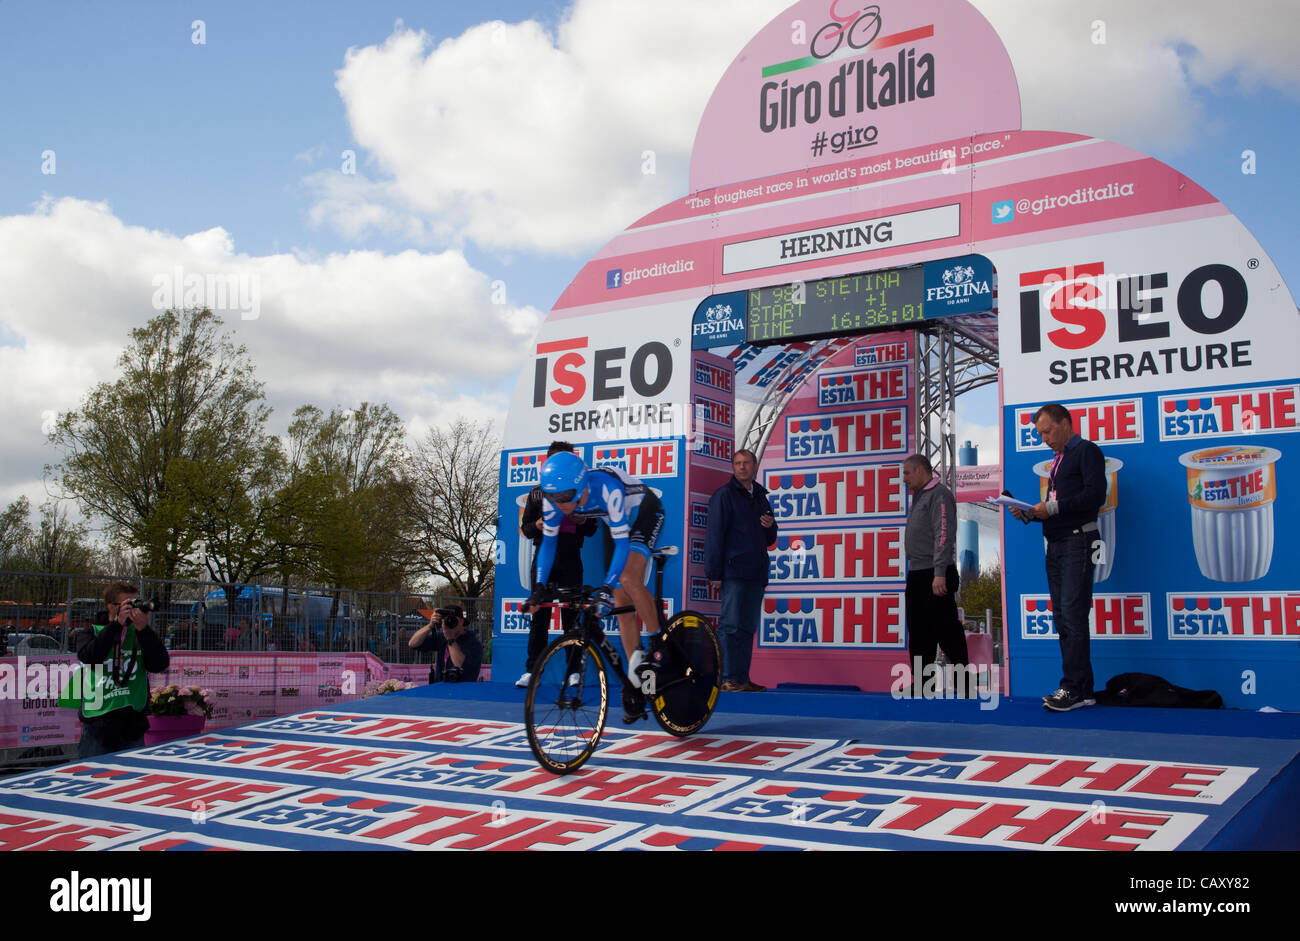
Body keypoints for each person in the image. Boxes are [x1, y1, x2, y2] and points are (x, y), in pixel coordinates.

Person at [529, 451, 664, 723]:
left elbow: (623, 544)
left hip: (644, 513)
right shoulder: (555, 499)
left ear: (580, 487)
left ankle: (658, 642)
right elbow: (548, 544)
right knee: (619, 600)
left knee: (626, 579)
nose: (561, 504)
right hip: (615, 522)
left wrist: (606, 585)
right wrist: (540, 586)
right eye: (554, 498)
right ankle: (637, 682)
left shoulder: (606, 487)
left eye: (566, 497)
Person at [1011, 403, 1107, 712]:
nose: (1045, 438)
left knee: (1072, 614)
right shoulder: (1058, 460)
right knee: (1064, 618)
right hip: (1057, 542)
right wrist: (1029, 513)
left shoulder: (1087, 452)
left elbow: (1094, 497)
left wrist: (1049, 509)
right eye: (1040, 434)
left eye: (1048, 431)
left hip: (1079, 541)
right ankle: (1082, 688)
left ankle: (1073, 688)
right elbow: (1058, 507)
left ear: (1066, 424)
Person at [518, 441, 598, 688]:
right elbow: (526, 529)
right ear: (547, 463)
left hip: (572, 559)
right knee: (539, 618)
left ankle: (574, 671)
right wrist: (539, 525)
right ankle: (533, 671)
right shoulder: (536, 493)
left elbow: (593, 528)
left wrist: (580, 519)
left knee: (571, 618)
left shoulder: (583, 491)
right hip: (544, 558)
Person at [67, 581, 170, 758]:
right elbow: (90, 657)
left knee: (131, 782)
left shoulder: (139, 634)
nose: (132, 609)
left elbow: (159, 664)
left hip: (132, 723)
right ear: (111, 606)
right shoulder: (92, 631)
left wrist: (144, 630)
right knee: (93, 777)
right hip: (99, 722)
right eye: (127, 605)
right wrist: (116, 625)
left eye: (135, 603)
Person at [705, 448, 777, 692]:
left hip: (756, 572)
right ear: (732, 467)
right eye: (737, 463)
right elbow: (715, 535)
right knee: (730, 625)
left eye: (746, 463)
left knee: (747, 627)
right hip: (733, 571)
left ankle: (742, 678)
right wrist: (714, 573)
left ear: (755, 465)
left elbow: (770, 539)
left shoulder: (760, 496)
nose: (742, 467)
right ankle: (726, 677)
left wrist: (769, 526)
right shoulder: (724, 495)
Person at [901, 454, 969, 694]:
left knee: (946, 629)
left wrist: (939, 572)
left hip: (936, 572)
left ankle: (964, 683)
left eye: (907, 473)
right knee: (919, 631)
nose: (904, 479)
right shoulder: (920, 496)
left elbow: (943, 534)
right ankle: (922, 683)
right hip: (918, 572)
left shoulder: (940, 495)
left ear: (920, 470)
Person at [408, 605, 482, 683]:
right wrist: (430, 626)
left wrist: (450, 639)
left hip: (463, 690)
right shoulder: (441, 637)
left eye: (453, 620)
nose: (449, 623)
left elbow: (460, 666)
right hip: (440, 688)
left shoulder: (473, 642)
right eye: (446, 620)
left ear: (462, 621)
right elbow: (413, 644)